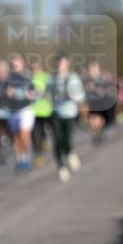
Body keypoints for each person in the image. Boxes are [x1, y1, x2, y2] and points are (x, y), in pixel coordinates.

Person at [46, 53, 85, 182]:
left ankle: (70, 153)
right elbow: (45, 94)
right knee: (57, 140)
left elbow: (81, 96)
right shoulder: (51, 78)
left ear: (67, 64)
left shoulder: (73, 78)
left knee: (67, 139)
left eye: (62, 63)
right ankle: (61, 167)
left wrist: (73, 96)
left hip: (69, 113)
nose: (59, 65)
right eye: (58, 63)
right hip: (55, 112)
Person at [0, 54, 36, 173]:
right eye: (13, 63)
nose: (15, 65)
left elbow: (34, 91)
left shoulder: (27, 76)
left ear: (22, 63)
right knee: (16, 137)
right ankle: (20, 160)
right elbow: (0, 93)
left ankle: (27, 156)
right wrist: (6, 93)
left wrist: (31, 94)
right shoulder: (8, 78)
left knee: (24, 134)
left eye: (17, 62)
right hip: (12, 111)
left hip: (25, 109)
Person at [83, 59, 116, 144]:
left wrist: (97, 89)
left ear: (98, 68)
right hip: (91, 103)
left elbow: (109, 90)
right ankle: (96, 133)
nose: (92, 70)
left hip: (102, 104)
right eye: (90, 68)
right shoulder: (85, 79)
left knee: (98, 121)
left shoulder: (104, 78)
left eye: (94, 68)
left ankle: (100, 132)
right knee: (93, 121)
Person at [30, 59, 52, 166]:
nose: (35, 70)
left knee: (43, 131)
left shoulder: (46, 77)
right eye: (33, 68)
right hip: (33, 111)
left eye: (37, 68)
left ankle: (45, 142)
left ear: (41, 68)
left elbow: (52, 90)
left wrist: (46, 94)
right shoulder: (30, 78)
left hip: (46, 110)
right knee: (35, 134)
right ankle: (37, 155)